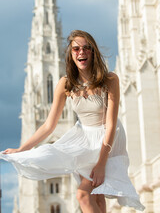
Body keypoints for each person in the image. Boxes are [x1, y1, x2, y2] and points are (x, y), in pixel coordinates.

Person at [0, 30, 145, 212]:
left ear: (93, 52)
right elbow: (49, 125)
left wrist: (101, 164)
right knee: (96, 196)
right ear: (70, 53)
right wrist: (22, 149)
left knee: (82, 195)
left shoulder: (109, 79)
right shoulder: (66, 83)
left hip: (107, 139)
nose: (81, 52)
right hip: (83, 140)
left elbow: (111, 125)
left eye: (86, 48)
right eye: (76, 49)